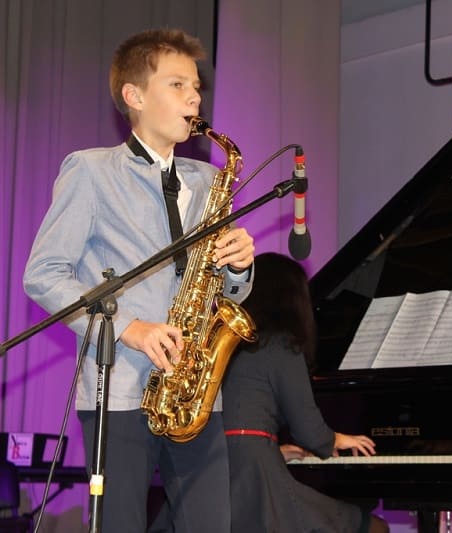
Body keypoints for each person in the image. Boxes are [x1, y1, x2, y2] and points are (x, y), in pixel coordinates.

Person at [23, 28, 254, 532]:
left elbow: (225, 293)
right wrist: (130, 327)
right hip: (120, 393)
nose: (194, 98)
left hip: (194, 393)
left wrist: (238, 267)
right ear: (134, 95)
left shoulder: (208, 180)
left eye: (196, 87)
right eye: (177, 85)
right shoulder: (91, 171)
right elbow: (43, 275)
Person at [222, 252, 389, 533]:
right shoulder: (282, 344)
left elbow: (239, 419)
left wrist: (274, 453)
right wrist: (336, 439)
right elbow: (307, 430)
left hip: (219, 468)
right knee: (374, 528)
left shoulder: (231, 344)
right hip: (256, 480)